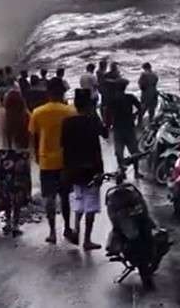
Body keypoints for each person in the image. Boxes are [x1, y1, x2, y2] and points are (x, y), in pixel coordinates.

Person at [29, 77, 78, 245]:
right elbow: (73, 138)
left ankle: (52, 232)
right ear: (62, 92)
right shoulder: (71, 111)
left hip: (46, 160)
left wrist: (36, 155)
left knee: (49, 197)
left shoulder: (38, 112)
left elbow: (34, 137)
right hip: (65, 161)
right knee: (65, 197)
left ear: (48, 93)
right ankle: (67, 228)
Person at [62, 89, 108, 251]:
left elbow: (63, 145)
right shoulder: (92, 121)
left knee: (79, 201)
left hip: (73, 169)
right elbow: (104, 136)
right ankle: (87, 239)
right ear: (89, 105)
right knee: (91, 204)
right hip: (91, 169)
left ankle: (76, 231)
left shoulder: (67, 122)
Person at [0, 90, 32, 237]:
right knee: (18, 193)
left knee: (5, 193)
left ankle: (8, 221)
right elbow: (31, 139)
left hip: (3, 158)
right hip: (21, 159)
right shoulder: (26, 115)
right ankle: (16, 223)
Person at [108, 78, 143, 179]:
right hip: (129, 128)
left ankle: (121, 172)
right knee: (134, 151)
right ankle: (136, 172)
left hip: (117, 128)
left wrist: (108, 125)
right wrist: (135, 115)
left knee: (119, 152)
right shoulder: (130, 97)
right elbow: (140, 107)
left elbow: (107, 112)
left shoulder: (112, 99)